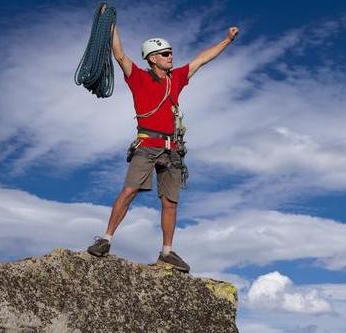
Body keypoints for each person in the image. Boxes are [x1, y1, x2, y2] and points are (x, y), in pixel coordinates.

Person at [87, 15, 239, 273]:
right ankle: (106, 239)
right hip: (147, 146)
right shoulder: (138, 78)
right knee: (129, 191)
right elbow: (120, 55)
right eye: (165, 53)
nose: (171, 56)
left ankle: (167, 252)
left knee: (170, 202)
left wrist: (226, 40)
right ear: (152, 58)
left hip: (172, 150)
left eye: (171, 53)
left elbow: (202, 60)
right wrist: (109, 23)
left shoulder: (176, 79)